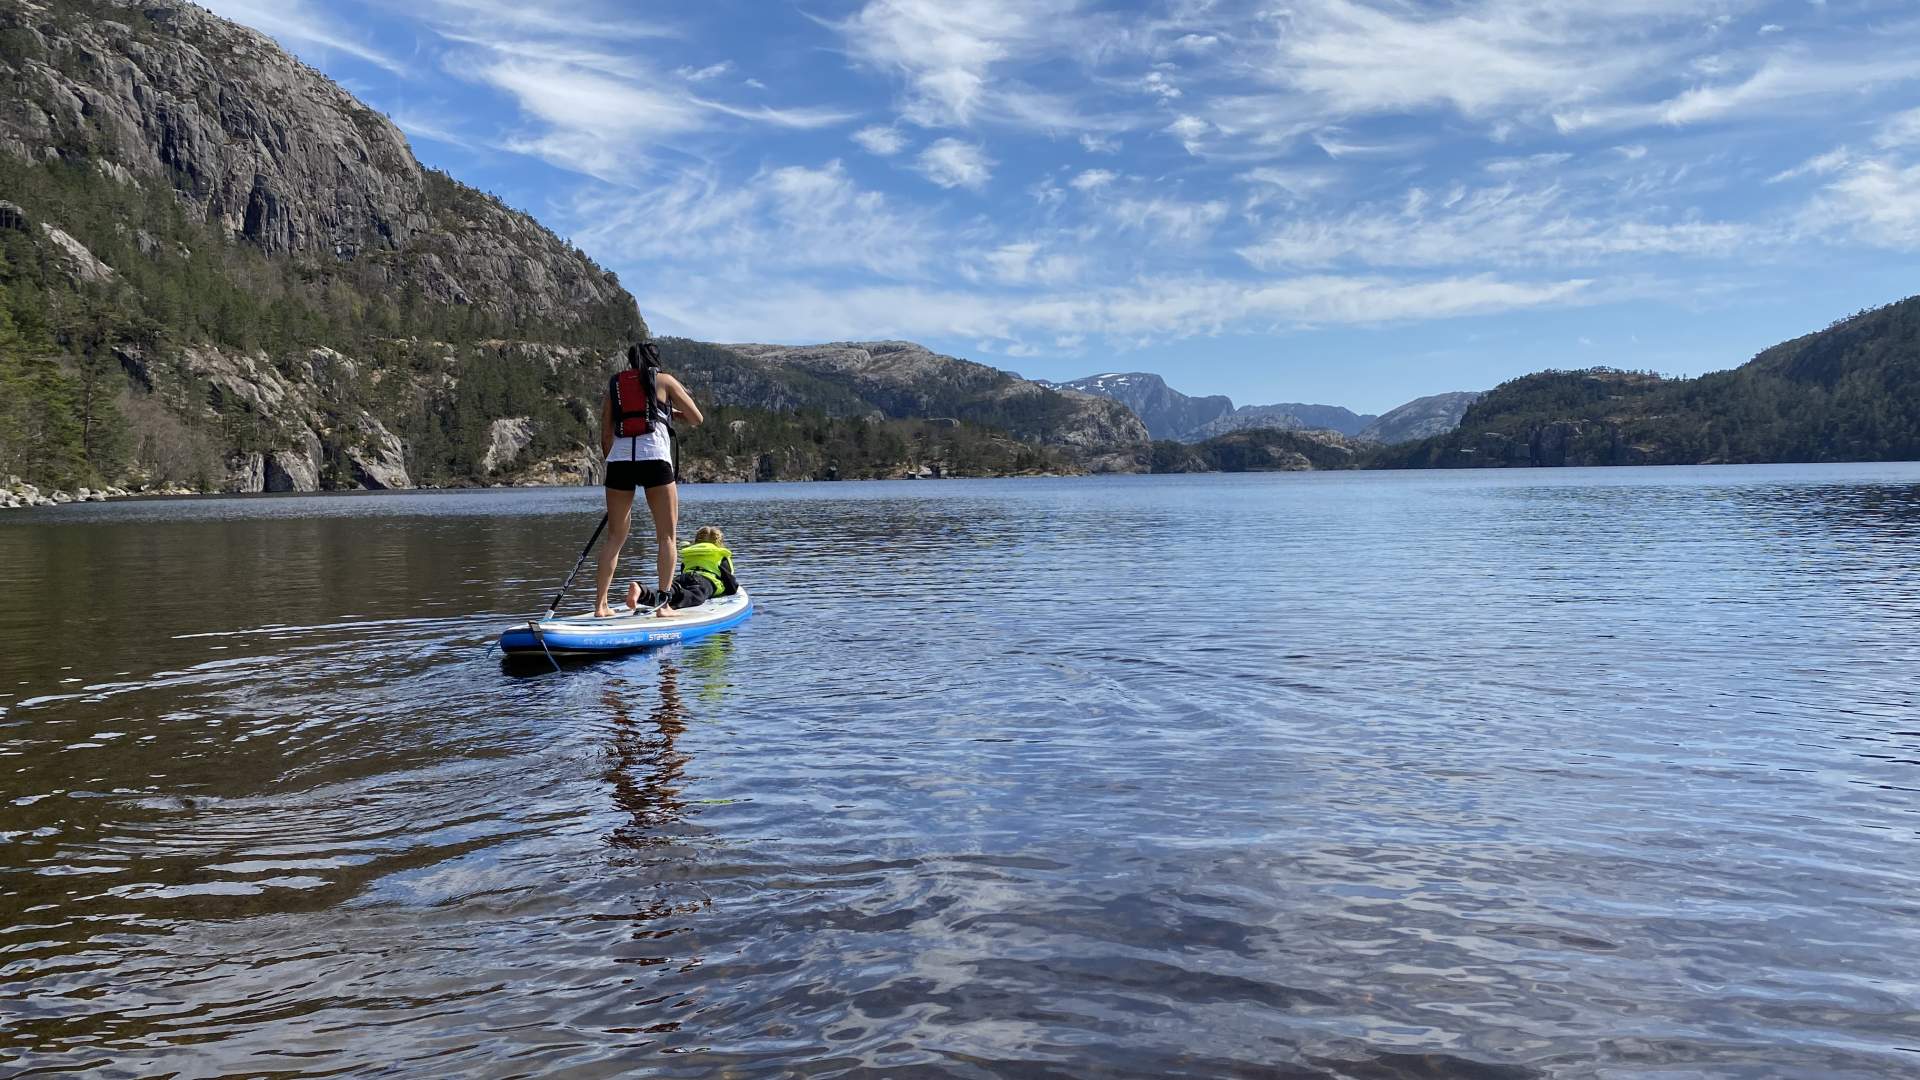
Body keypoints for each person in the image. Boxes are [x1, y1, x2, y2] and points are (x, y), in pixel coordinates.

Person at [594, 342, 703, 618]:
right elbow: (696, 418)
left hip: (619, 462)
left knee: (615, 537)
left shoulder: (615, 386)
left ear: (631, 362)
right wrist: (669, 414)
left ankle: (601, 606)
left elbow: (606, 433)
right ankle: (663, 605)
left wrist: (614, 463)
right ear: (656, 360)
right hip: (654, 458)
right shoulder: (664, 380)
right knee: (667, 536)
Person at [625, 526, 738, 616]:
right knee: (694, 596)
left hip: (684, 577)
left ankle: (642, 591)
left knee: (669, 592)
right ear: (719, 542)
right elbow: (731, 585)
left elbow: (683, 570)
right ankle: (659, 601)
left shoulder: (689, 553)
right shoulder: (720, 555)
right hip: (706, 581)